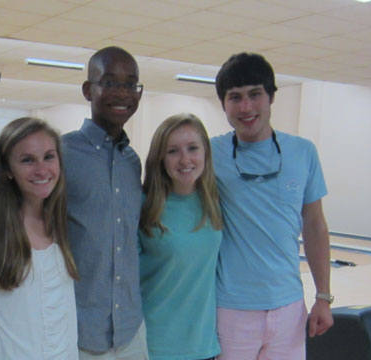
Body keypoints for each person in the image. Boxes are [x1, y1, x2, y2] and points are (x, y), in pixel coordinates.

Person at [210, 52, 334, 359]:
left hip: (290, 308)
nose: (246, 107)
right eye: (234, 97)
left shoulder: (303, 152)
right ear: (223, 104)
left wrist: (323, 297)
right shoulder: (210, 154)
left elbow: (315, 226)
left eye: (255, 94)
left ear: (271, 97)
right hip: (231, 310)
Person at [62, 46, 148, 359]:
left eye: (131, 84)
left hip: (130, 331)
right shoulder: (62, 154)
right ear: (88, 90)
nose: (122, 93)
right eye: (110, 82)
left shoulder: (132, 162)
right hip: (80, 333)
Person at [0, 117, 80, 359]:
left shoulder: (59, 224)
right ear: (7, 170)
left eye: (48, 157)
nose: (42, 169)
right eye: (27, 160)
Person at [138, 113, 223, 360]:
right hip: (156, 346)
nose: (185, 159)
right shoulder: (143, 207)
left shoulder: (214, 202)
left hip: (203, 345)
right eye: (173, 151)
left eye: (193, 148)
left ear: (205, 152)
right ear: (160, 158)